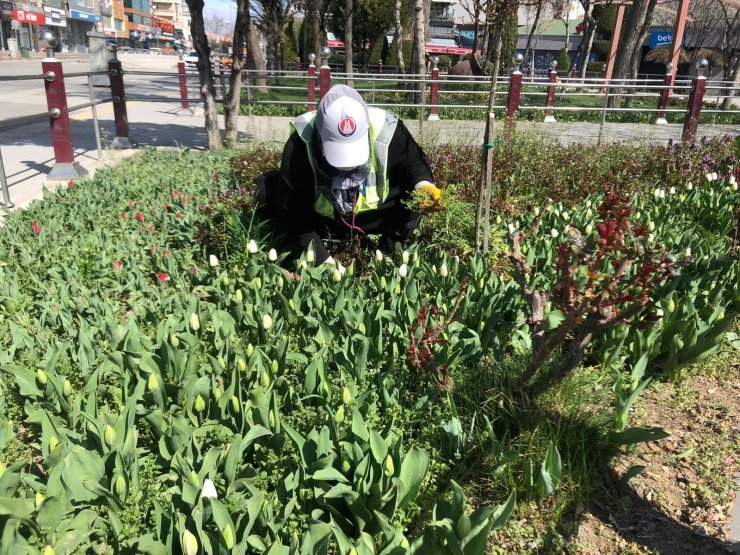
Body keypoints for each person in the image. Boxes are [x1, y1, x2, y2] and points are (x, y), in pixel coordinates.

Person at [260, 84, 442, 265]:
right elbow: (294, 212)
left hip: (375, 216)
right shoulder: (301, 141)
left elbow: (413, 163)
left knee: (415, 194)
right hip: (325, 220)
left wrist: (423, 185)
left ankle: (391, 244)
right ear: (320, 136)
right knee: (267, 192)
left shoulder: (386, 129)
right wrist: (324, 263)